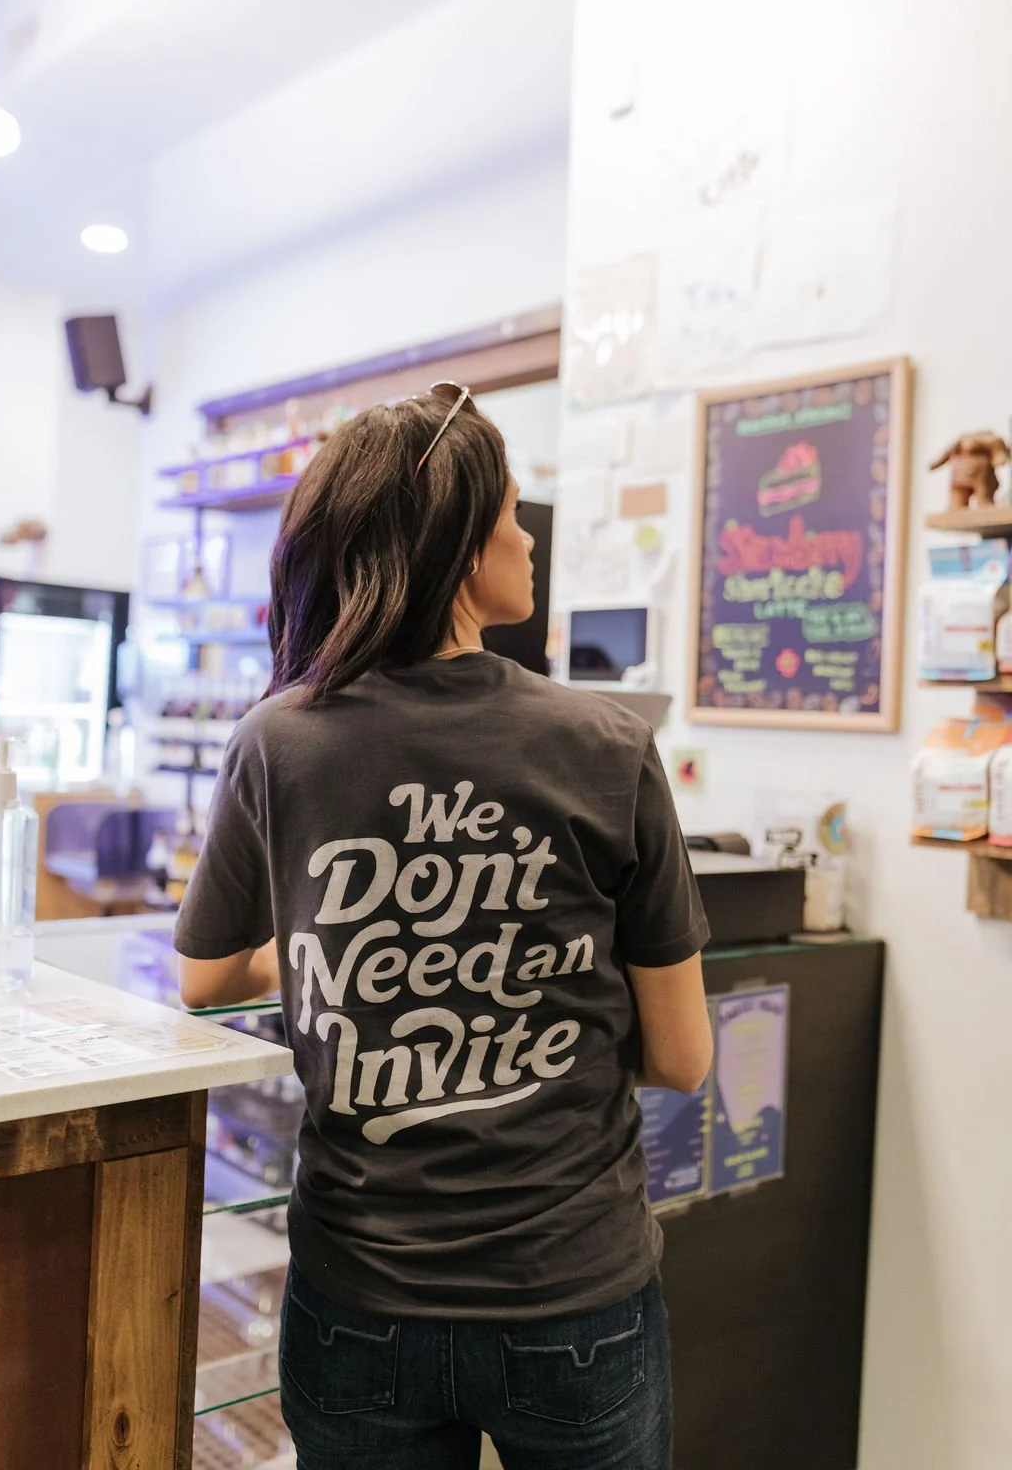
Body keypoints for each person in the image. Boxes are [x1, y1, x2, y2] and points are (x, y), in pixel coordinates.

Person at [175, 382, 713, 1470]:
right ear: (460, 544)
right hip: (571, 1293)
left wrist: (343, 951)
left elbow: (207, 977)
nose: (527, 536)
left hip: (356, 1295)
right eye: (512, 512)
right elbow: (681, 1058)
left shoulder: (279, 739)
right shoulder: (605, 743)